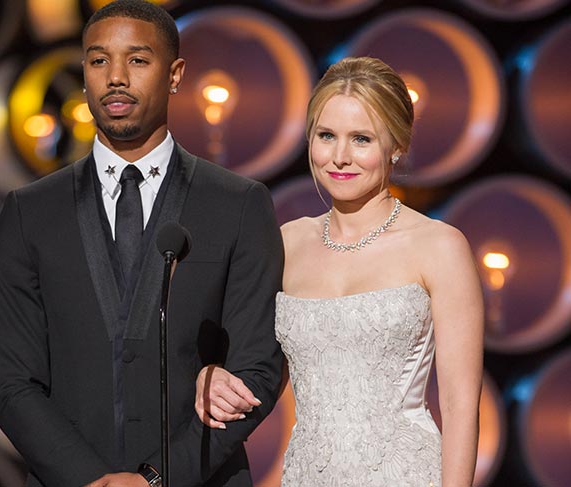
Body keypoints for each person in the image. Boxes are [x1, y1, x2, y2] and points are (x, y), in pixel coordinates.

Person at [0, 1, 284, 486]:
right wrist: (91, 479)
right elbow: (13, 383)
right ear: (83, 74)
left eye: (138, 60)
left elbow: (259, 369)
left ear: (175, 73)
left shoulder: (238, 204)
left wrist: (155, 479)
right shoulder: (29, 212)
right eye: (99, 60)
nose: (116, 77)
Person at [195, 57, 484, 486]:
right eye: (326, 136)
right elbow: (259, 372)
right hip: (308, 474)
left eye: (361, 139)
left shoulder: (439, 246)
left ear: (396, 145)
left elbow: (461, 405)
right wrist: (210, 375)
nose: (340, 157)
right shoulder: (286, 243)